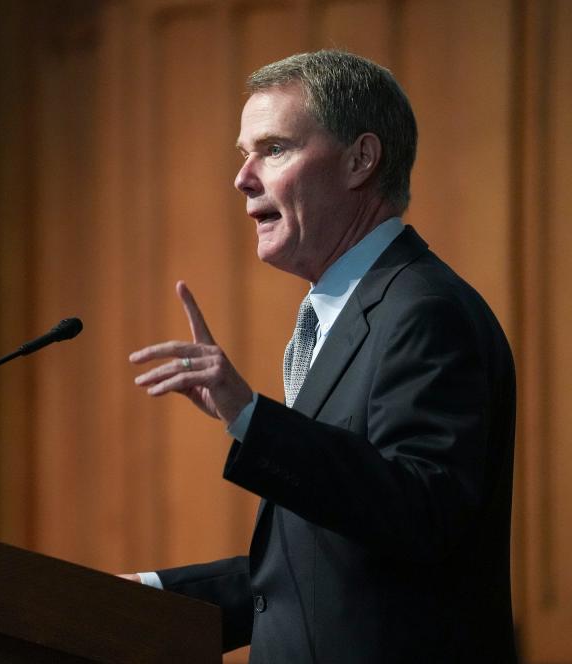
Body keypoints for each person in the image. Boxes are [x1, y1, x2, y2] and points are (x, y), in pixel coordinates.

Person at [126, 50, 517, 663]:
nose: (243, 177)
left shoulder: (423, 310)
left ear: (361, 159)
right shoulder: (347, 315)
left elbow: (420, 517)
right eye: (243, 153)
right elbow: (326, 562)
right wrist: (152, 597)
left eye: (274, 148)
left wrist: (251, 418)